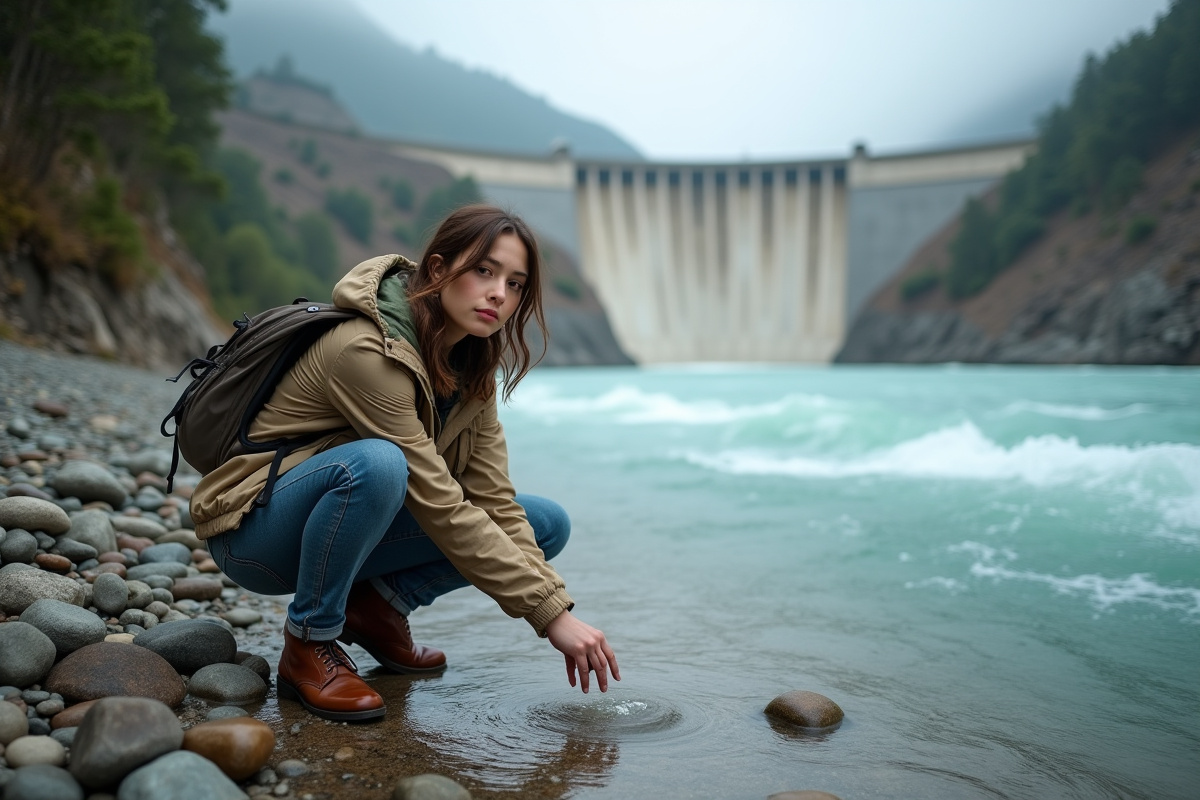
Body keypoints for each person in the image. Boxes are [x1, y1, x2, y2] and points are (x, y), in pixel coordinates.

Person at [189, 205, 619, 722]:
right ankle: (309, 641)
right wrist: (547, 619)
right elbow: (437, 500)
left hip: (335, 523)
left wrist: (557, 605)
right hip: (255, 533)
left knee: (544, 522)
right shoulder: (365, 351)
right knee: (379, 465)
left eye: (515, 284)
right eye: (484, 271)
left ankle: (377, 608)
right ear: (438, 269)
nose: (499, 294)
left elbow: (495, 502)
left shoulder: (471, 372)